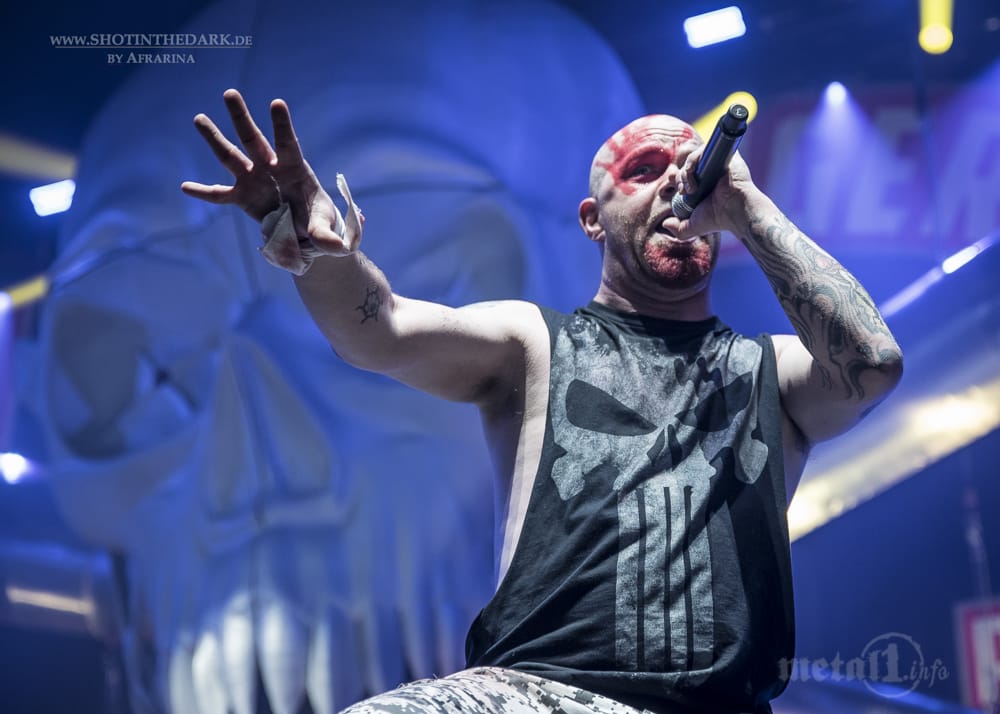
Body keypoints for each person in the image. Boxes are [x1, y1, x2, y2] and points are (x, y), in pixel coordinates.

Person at [182, 89, 903, 714]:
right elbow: (382, 331)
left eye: (687, 172)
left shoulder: (769, 369)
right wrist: (315, 247)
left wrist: (747, 207)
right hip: (536, 693)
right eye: (644, 171)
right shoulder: (535, 342)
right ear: (592, 219)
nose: (674, 187)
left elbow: (871, 364)